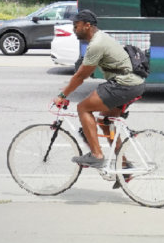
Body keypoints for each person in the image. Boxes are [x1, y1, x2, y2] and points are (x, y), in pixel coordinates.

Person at [53, 9, 144, 167]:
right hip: (133, 84)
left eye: (76, 26)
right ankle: (124, 165)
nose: (74, 30)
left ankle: (96, 155)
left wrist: (62, 95)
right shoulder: (101, 38)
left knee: (83, 108)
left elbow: (81, 76)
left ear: (87, 26)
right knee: (104, 121)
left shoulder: (96, 44)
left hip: (124, 84)